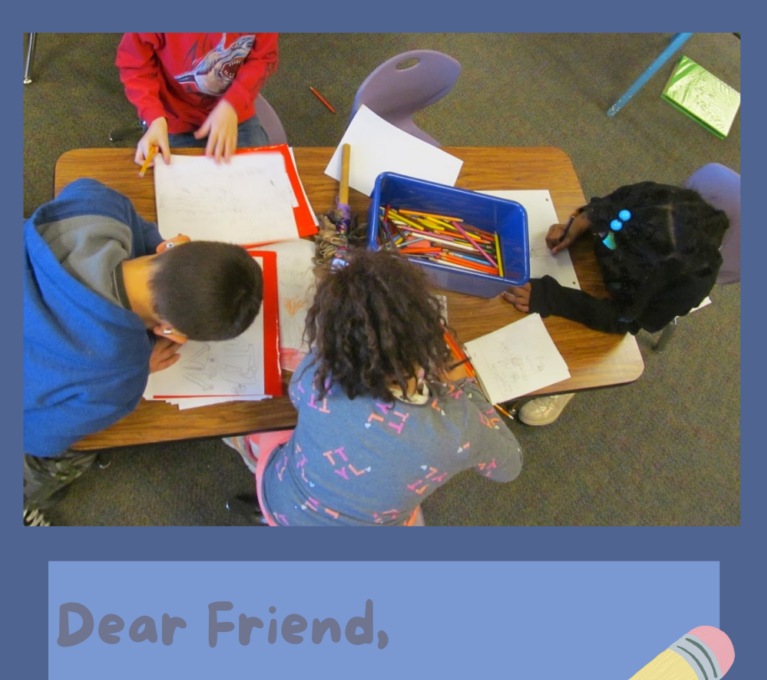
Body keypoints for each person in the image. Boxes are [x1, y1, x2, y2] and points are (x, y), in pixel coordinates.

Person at [226, 250, 523, 526]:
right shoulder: (459, 427)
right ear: (428, 337)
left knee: (263, 426)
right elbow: (509, 467)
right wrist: (464, 387)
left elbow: (296, 397)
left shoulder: (318, 371)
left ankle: (251, 465)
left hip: (281, 506)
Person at [24, 178, 263, 516]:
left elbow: (82, 189)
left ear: (175, 245)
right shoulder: (120, 379)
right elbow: (38, 438)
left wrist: (159, 248)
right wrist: (143, 353)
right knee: (64, 457)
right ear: (169, 329)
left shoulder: (100, 207)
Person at [503, 181, 730, 425]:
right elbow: (609, 206)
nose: (605, 239)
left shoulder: (688, 283)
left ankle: (570, 383)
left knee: (580, 344)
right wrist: (580, 223)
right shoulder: (654, 199)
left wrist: (551, 296)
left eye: (612, 241)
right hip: (607, 274)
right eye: (608, 234)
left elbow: (623, 320)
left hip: (621, 305)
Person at [116, 32, 279, 165]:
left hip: (235, 114)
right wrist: (155, 118)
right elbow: (135, 66)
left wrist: (232, 104)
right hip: (173, 119)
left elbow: (263, 59)